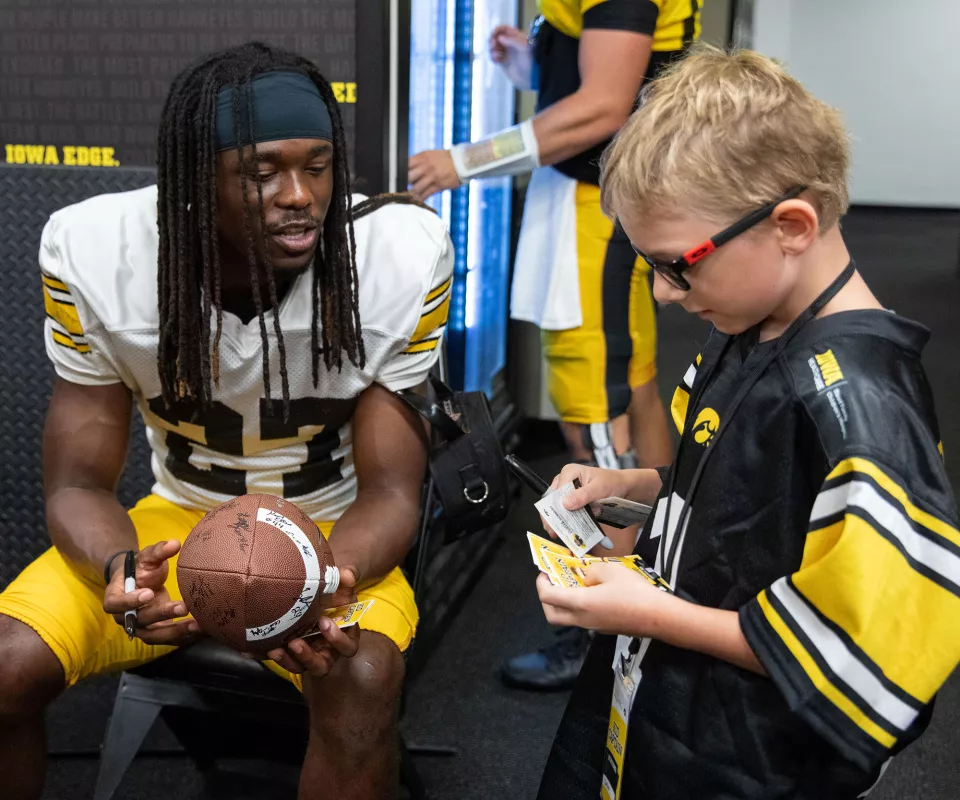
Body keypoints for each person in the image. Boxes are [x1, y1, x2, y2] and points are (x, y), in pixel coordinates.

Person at [0, 42, 453, 800]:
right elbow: (76, 484)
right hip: (175, 526)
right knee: (6, 662)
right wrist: (123, 572)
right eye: (262, 171)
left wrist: (323, 582)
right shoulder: (95, 251)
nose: (300, 194)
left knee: (363, 675)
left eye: (317, 165)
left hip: (327, 533)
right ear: (193, 179)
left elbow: (393, 492)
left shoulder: (396, 255)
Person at [533, 45, 960, 799]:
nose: (666, 295)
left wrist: (653, 613)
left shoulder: (862, 410)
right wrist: (639, 489)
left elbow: (855, 649)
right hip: (663, 708)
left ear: (791, 226)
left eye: (678, 265)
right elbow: (752, 496)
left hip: (747, 758)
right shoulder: (746, 324)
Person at [410, 0, 700, 692]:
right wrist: (536, 60)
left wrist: (465, 160)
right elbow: (605, 71)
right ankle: (663, 583)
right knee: (631, 394)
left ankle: (614, 630)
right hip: (586, 196)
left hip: (593, 205)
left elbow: (604, 107)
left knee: (597, 425)